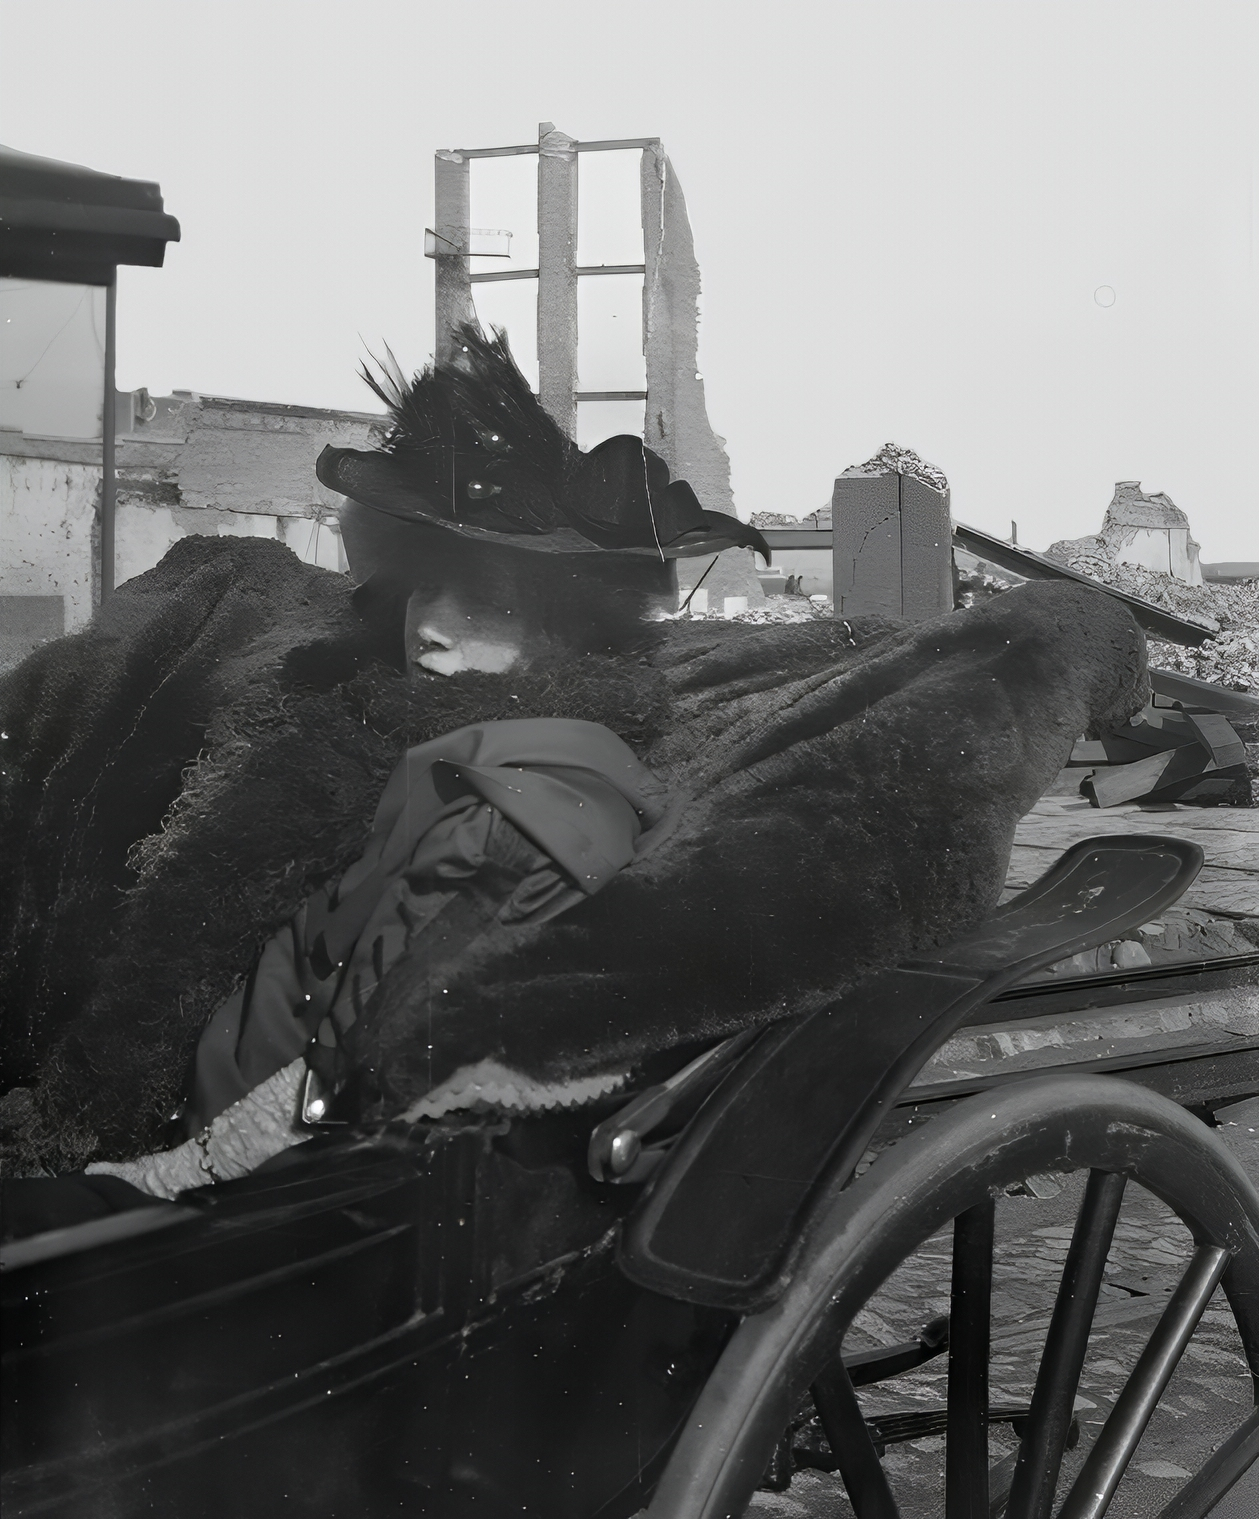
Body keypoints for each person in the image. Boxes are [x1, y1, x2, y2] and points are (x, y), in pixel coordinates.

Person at [1, 324, 1149, 1203]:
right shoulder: (390, 740)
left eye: (482, 602)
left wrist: (164, 1176)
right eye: (419, 589)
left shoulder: (531, 796)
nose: (429, 628)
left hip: (237, 1200)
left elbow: (355, 1072)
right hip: (164, 1125)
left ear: (559, 624)